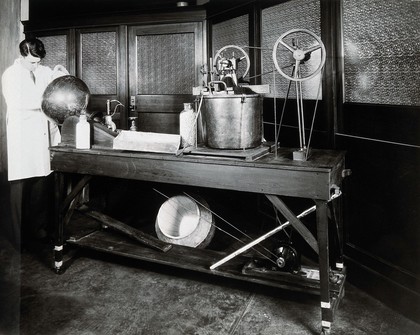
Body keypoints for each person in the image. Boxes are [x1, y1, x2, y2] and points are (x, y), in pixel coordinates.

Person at [2, 37, 69, 250]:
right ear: (22, 56)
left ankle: (38, 231)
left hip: (41, 136)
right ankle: (18, 239)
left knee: (42, 184)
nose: (36, 65)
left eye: (39, 61)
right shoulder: (10, 75)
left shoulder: (42, 70)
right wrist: (45, 99)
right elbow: (19, 102)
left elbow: (62, 83)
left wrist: (62, 70)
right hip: (23, 137)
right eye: (32, 62)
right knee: (20, 189)